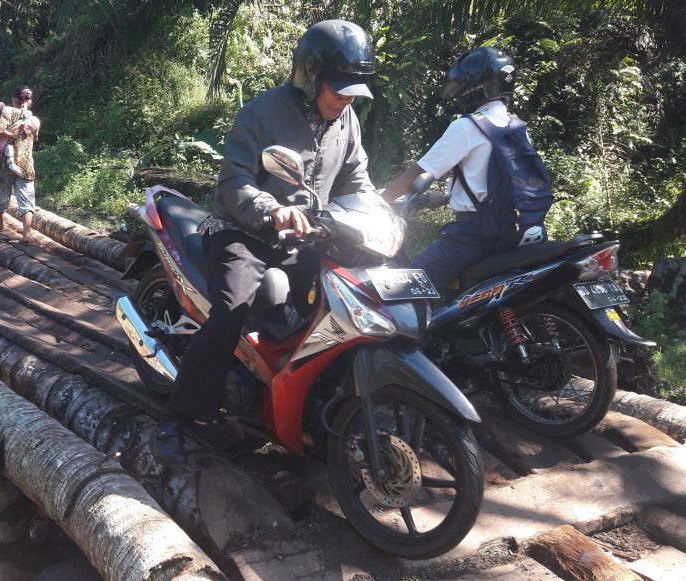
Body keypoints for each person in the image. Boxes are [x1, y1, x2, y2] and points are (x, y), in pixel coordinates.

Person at [149, 20, 379, 466]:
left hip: (309, 235)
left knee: (353, 296)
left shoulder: (346, 118)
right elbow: (234, 180)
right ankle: (177, 417)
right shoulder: (261, 112)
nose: (346, 99)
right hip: (246, 232)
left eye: (354, 91)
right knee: (232, 307)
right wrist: (270, 209)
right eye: (339, 89)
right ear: (312, 77)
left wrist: (375, 213)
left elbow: (357, 180)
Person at [382, 46, 548, 289]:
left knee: (405, 287)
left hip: (476, 237)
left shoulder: (468, 127)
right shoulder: (517, 127)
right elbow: (489, 181)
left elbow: (414, 174)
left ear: (474, 86)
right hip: (525, 231)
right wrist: (444, 198)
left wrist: (379, 202)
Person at [0, 86, 40, 243]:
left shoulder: (8, 112)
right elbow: (35, 138)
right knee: (26, 196)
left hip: (6, 162)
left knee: (2, 190)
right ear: (29, 101)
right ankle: (26, 233)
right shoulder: (34, 119)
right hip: (25, 163)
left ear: (13, 100)